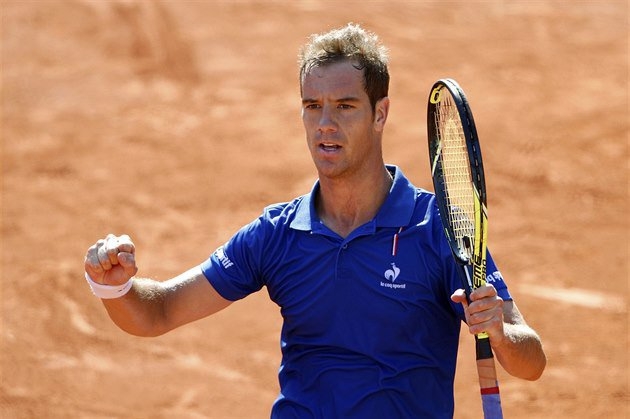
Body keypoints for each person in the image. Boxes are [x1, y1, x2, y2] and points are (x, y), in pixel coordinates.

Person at [84, 23, 546, 418]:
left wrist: (501, 334)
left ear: (380, 113)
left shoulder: (438, 230)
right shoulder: (277, 234)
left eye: (344, 106)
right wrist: (115, 287)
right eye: (312, 106)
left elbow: (531, 360)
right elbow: (159, 311)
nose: (325, 123)